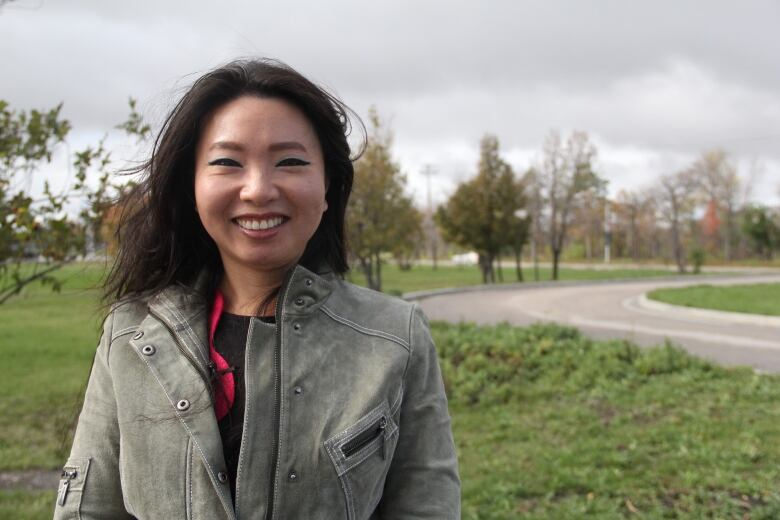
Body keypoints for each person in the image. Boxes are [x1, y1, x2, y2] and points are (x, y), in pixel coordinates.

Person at [53, 58, 460, 519]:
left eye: (290, 161)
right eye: (228, 162)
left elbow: (428, 506)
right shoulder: (129, 334)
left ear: (328, 186)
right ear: (192, 187)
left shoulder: (395, 336)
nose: (258, 189)